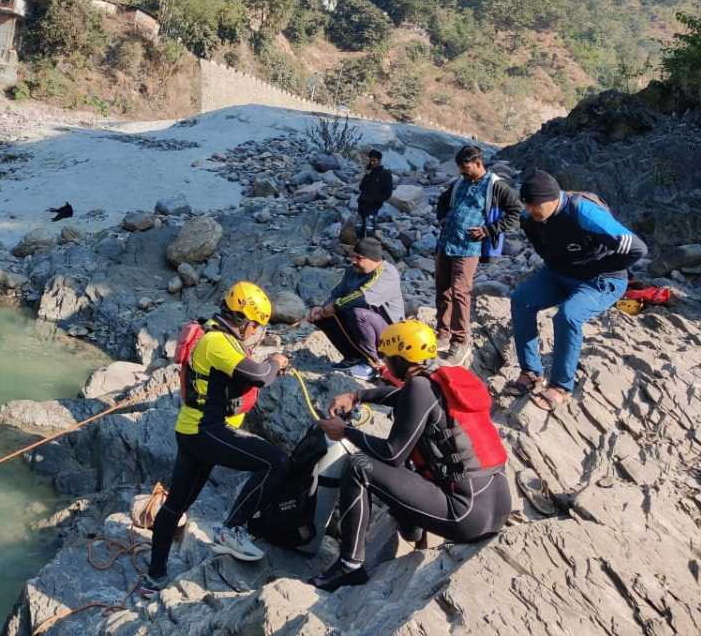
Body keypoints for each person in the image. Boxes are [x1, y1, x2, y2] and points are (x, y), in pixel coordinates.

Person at [307, 320, 511, 591]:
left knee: (360, 467)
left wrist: (345, 432)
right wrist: (357, 396)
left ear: (402, 360)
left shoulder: (419, 387)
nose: (386, 364)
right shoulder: (441, 376)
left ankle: (349, 566)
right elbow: (403, 397)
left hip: (465, 513)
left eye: (389, 358)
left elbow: (392, 454)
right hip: (495, 501)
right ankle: (414, 529)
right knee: (415, 464)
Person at [139, 282, 291, 598]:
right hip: (209, 432)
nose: (256, 332)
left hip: (194, 431)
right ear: (247, 321)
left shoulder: (218, 337)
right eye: (257, 325)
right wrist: (277, 362)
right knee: (275, 462)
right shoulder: (217, 343)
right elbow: (261, 374)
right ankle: (231, 529)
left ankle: (155, 577)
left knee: (176, 505)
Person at [507, 170, 647, 411]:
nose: (529, 211)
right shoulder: (530, 218)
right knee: (521, 300)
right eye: (526, 205)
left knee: (568, 316)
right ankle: (531, 373)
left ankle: (560, 387)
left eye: (533, 206)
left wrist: (597, 268)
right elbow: (543, 248)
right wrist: (559, 265)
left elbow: (637, 249)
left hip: (603, 279)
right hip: (561, 274)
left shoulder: (583, 212)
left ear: (551, 199)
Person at [434, 146, 522, 366]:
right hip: (446, 243)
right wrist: (442, 217)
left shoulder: (496, 186)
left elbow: (515, 211)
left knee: (460, 293)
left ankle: (460, 341)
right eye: (461, 170)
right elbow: (443, 201)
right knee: (442, 291)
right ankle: (442, 334)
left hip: (468, 248)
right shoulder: (460, 183)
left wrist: (488, 230)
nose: (463, 173)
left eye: (466, 169)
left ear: (478, 163)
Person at [306, 238, 404, 381]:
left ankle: (374, 363)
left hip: (389, 332)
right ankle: (353, 357)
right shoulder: (353, 271)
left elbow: (363, 297)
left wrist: (334, 306)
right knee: (323, 317)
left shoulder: (387, 273)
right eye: (353, 256)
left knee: (359, 314)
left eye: (359, 258)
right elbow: (337, 293)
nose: (353, 261)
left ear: (374, 259)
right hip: (362, 325)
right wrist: (321, 309)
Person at [358, 150, 394, 239]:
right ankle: (361, 246)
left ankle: (369, 248)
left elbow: (388, 193)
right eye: (371, 160)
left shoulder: (385, 174)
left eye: (374, 161)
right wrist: (367, 174)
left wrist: (376, 200)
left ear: (379, 160)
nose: (372, 163)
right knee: (360, 227)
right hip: (362, 204)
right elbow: (361, 187)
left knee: (369, 228)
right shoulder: (369, 173)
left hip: (373, 206)